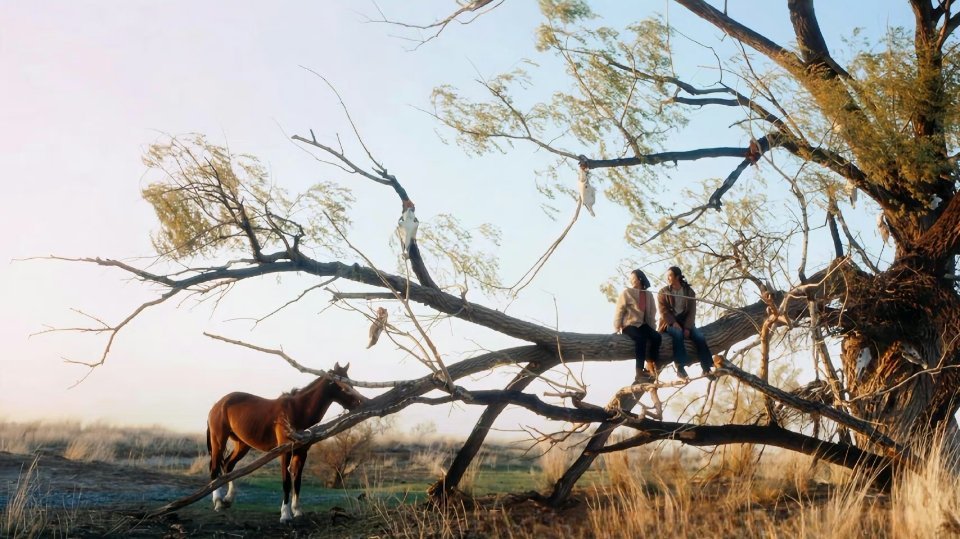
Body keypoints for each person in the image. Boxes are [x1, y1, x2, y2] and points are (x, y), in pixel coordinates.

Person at [657, 266, 713, 379]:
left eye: (670, 275)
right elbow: (663, 311)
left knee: (700, 337)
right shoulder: (663, 292)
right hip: (669, 322)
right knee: (677, 334)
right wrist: (673, 323)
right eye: (667, 275)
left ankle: (706, 368)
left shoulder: (689, 292)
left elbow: (692, 312)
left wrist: (687, 327)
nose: (668, 278)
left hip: (686, 321)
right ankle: (680, 368)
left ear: (677, 277)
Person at [614, 269, 661, 384]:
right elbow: (619, 310)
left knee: (657, 337)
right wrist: (617, 327)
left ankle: (650, 363)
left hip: (643, 325)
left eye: (633, 278)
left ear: (640, 279)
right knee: (641, 339)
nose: (632, 281)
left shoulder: (648, 295)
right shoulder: (627, 293)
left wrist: (652, 328)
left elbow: (651, 313)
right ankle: (639, 371)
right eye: (631, 279)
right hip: (629, 324)